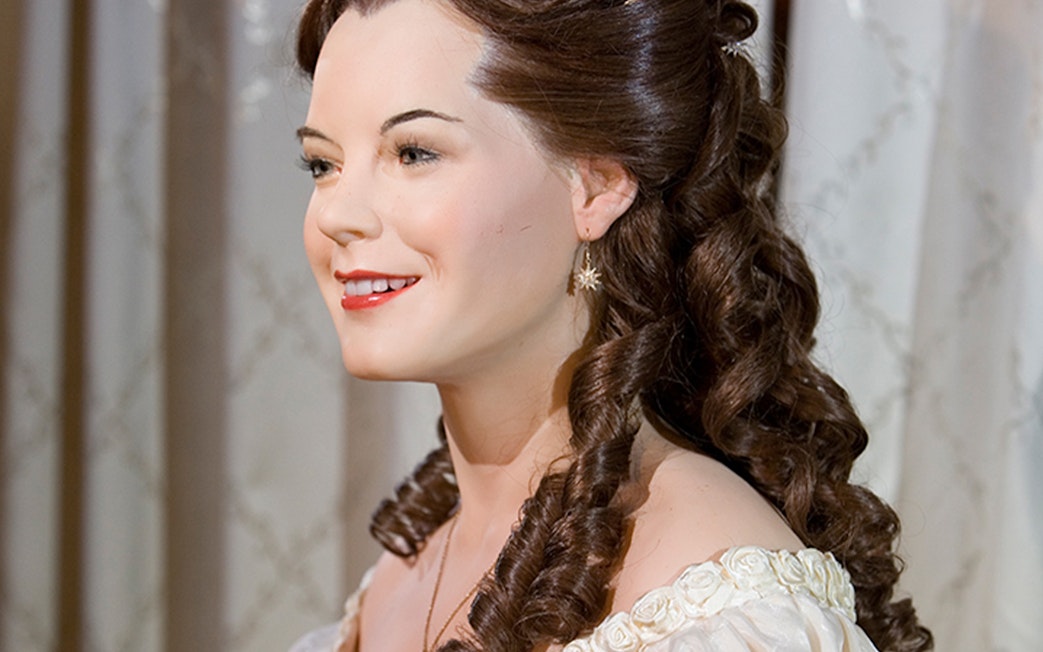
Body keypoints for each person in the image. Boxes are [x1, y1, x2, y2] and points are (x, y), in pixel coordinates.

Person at [289, 0, 933, 650]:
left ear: (595, 189)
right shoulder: (409, 563)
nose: (338, 214)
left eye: (413, 152)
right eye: (323, 164)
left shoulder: (715, 603)